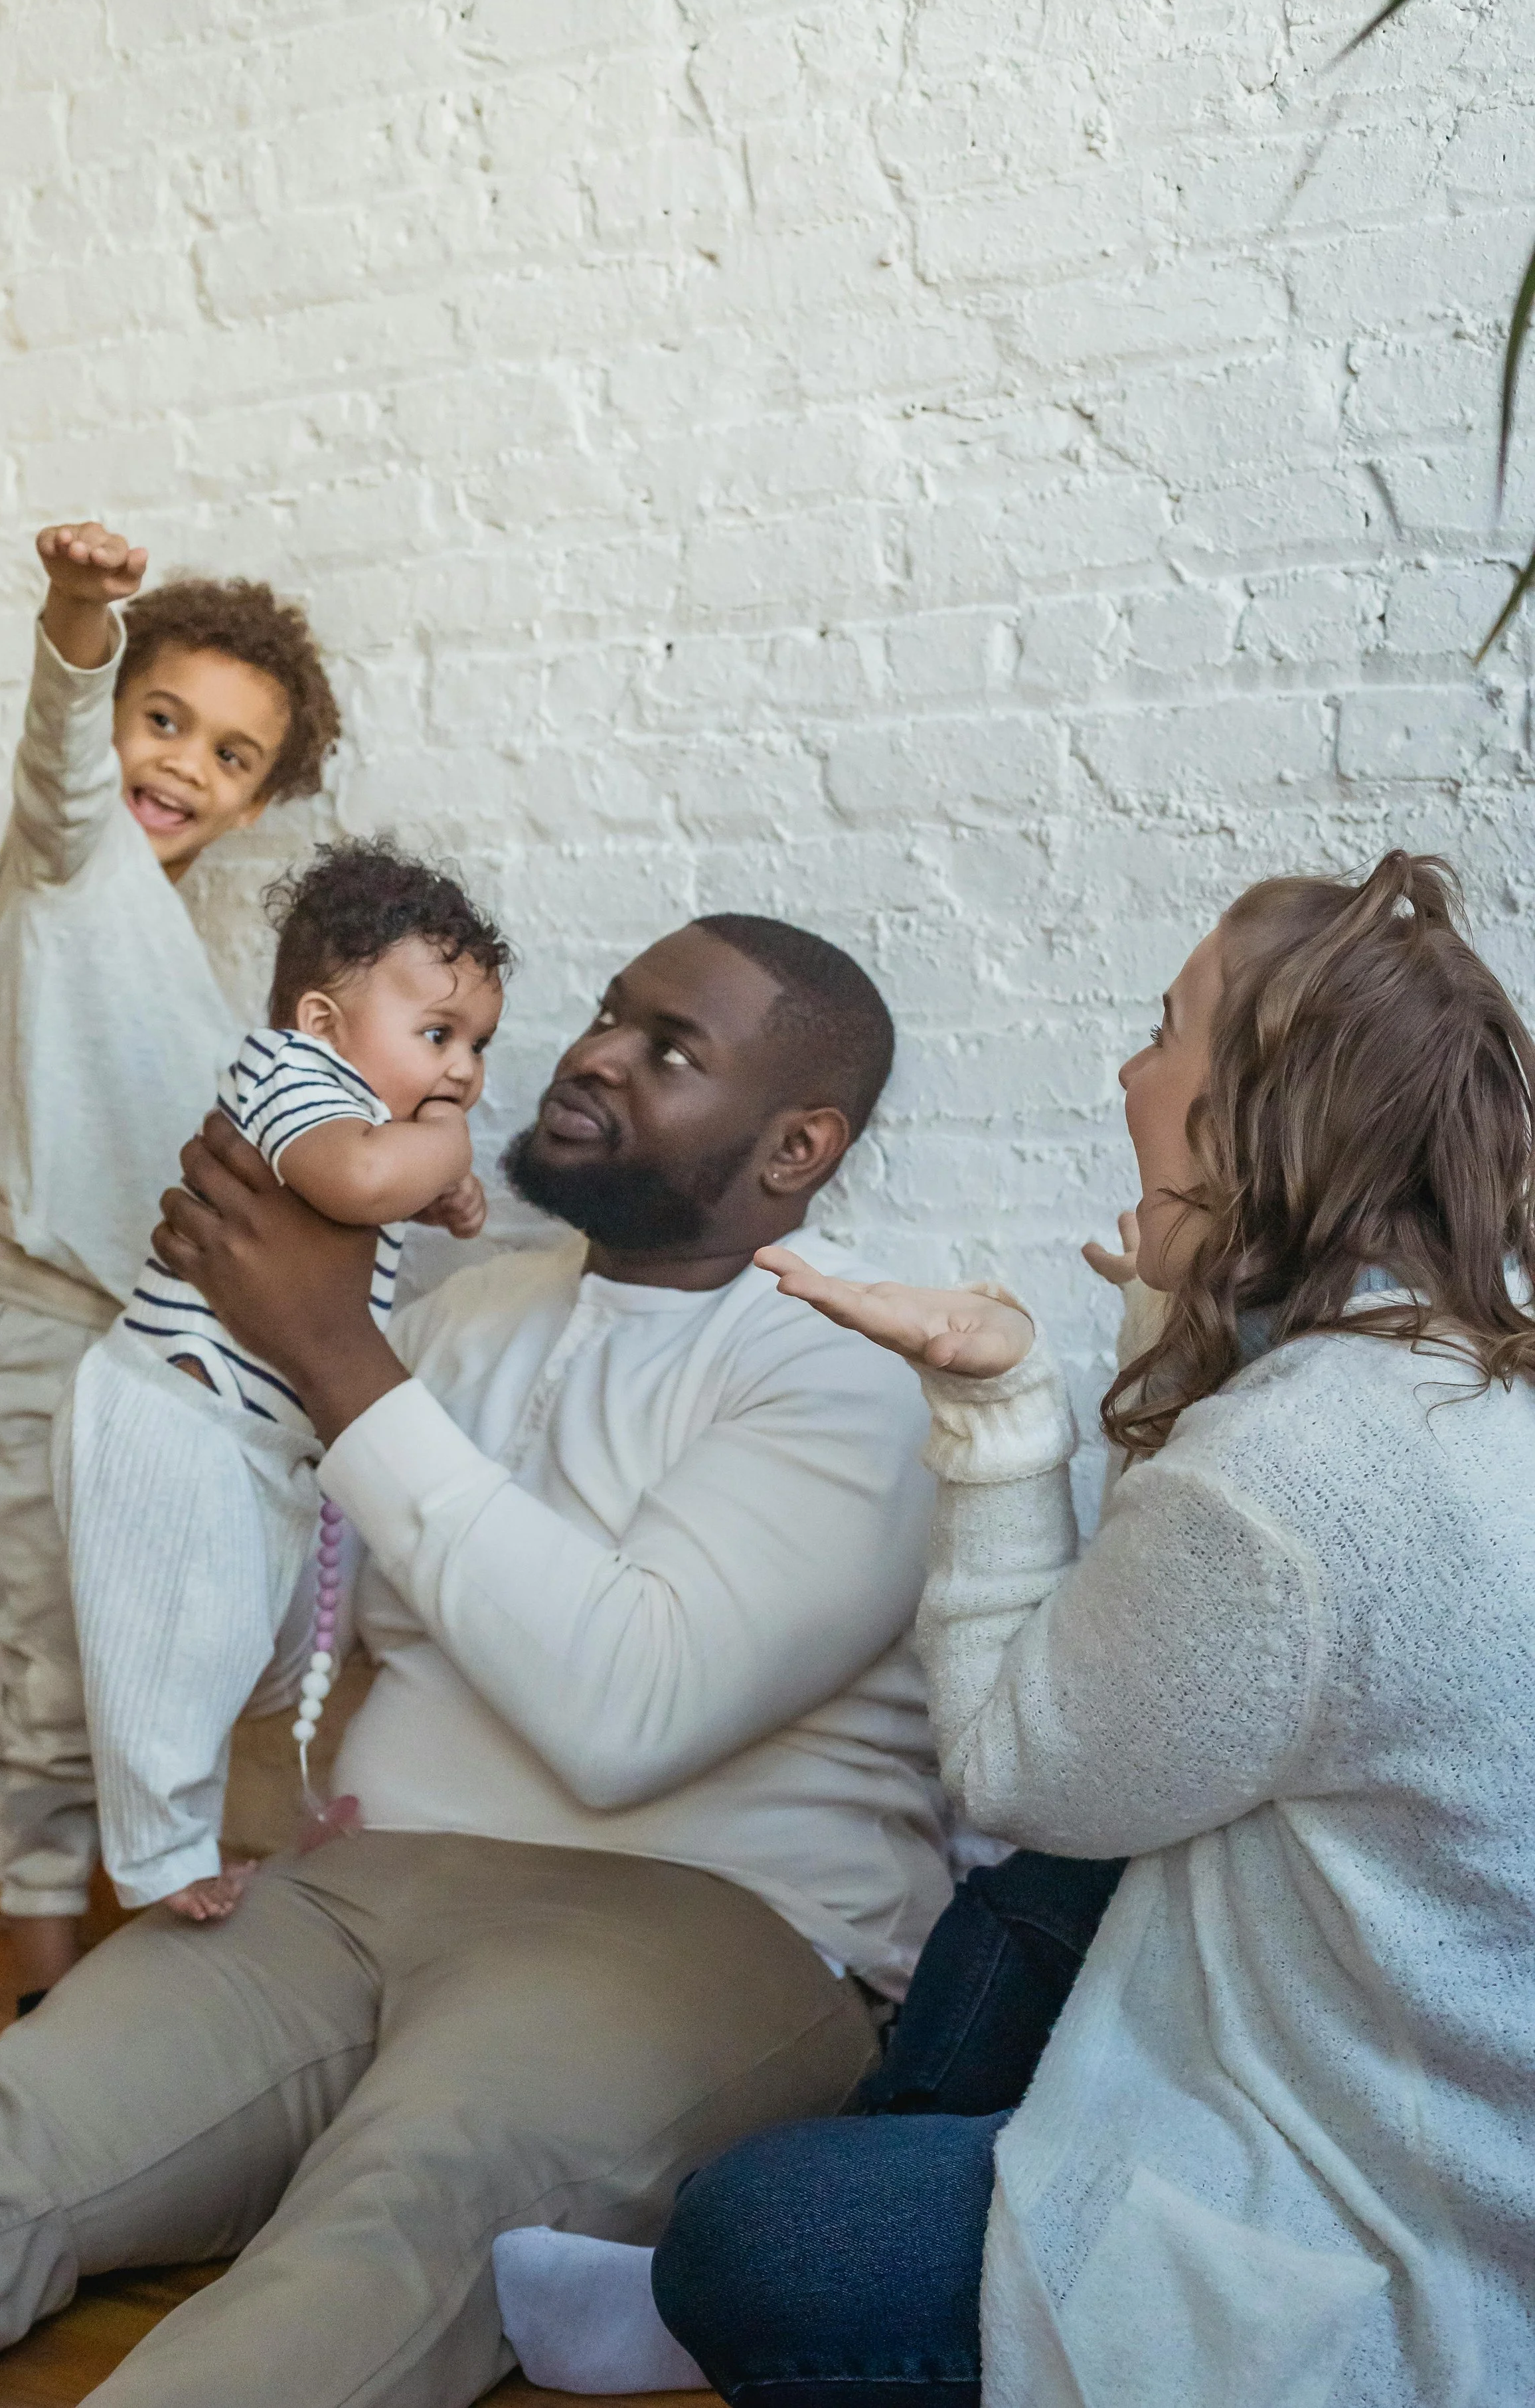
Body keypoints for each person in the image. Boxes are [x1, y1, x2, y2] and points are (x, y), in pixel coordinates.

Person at [0, 914, 953, 2408]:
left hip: (711, 1924)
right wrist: (195, 1396)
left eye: (669, 1048)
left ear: (795, 1147)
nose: (590, 1055)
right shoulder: (460, 1313)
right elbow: (278, 1654)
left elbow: (627, 1713)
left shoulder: (852, 1366)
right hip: (356, 1891)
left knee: (387, 2224)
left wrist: (327, 1353)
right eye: (606, 1012)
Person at [652, 852, 1535, 2408]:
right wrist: (1180, 1328)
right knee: (1063, 1883)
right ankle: (918, 2197)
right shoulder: (1458, 1356)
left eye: (1163, 1028)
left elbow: (1012, 1759)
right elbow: (1170, 1679)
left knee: (751, 2240)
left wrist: (997, 1407)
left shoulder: (1295, 1465)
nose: (1126, 1069)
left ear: (1258, 1111)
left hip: (1423, 2246)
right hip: (1466, 2109)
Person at [0, 519, 339, 2006]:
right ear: (110, 720)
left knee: (180, 1660)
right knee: (53, 1680)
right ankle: (41, 1995)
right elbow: (59, 771)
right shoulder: (66, 862)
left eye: (231, 756)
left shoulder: (186, 963)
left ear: (257, 802)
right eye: (159, 720)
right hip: (42, 1335)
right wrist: (76, 618)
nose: (183, 766)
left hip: (153, 1357)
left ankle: (153, 1992)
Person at [57, 839, 506, 1923]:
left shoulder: (369, 1113)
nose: (462, 1073)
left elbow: (375, 1176)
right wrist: (441, 1152)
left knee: (246, 1647)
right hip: (177, 1415)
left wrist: (429, 1176)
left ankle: (200, 1822)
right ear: (320, 1023)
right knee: (172, 1646)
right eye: (438, 1035)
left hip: (258, 1437)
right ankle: (163, 1859)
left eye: (478, 1045)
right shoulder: (287, 1074)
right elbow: (355, 1178)